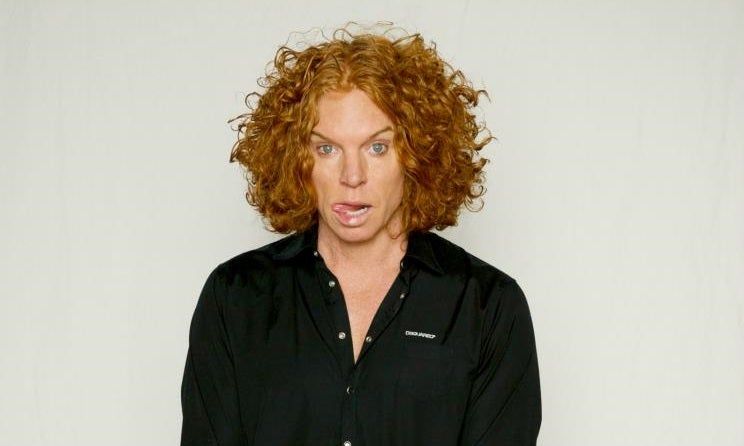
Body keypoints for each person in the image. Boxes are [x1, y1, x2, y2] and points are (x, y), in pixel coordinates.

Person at [180, 24, 541, 446]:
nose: (352, 176)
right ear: (297, 158)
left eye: (377, 147)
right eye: (326, 148)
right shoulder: (236, 297)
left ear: (417, 154)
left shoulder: (487, 306)